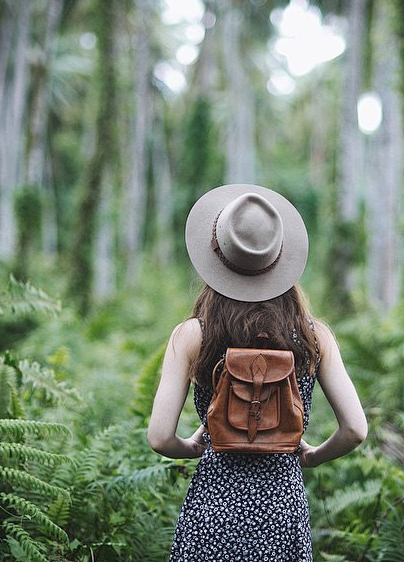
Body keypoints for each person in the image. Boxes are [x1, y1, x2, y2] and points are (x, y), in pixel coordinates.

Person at [148, 184, 368, 562]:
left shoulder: (193, 335)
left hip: (213, 511)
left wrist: (195, 445)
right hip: (282, 509)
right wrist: (312, 456)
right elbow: (355, 430)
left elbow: (159, 437)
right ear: (279, 261)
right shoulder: (315, 338)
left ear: (217, 261)